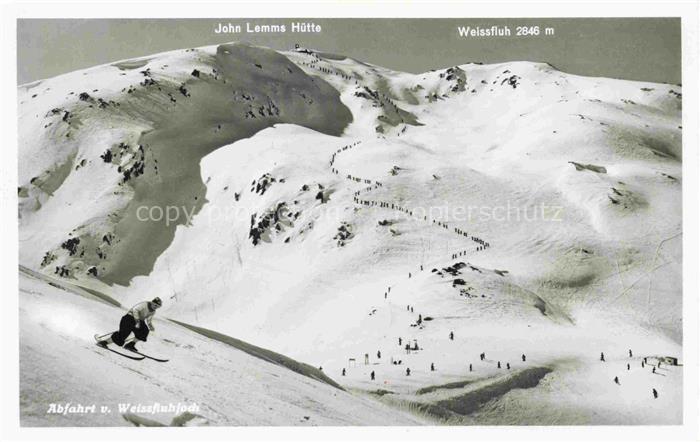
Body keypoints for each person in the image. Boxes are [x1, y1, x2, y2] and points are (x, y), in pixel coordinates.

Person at [97, 297, 163, 351]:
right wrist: (137, 321)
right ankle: (103, 342)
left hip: (139, 321)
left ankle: (130, 345)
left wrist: (150, 326)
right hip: (129, 318)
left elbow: (149, 319)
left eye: (158, 306)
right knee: (123, 335)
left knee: (144, 331)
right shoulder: (144, 304)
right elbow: (135, 310)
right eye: (155, 305)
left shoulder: (153, 311)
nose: (156, 307)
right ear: (152, 302)